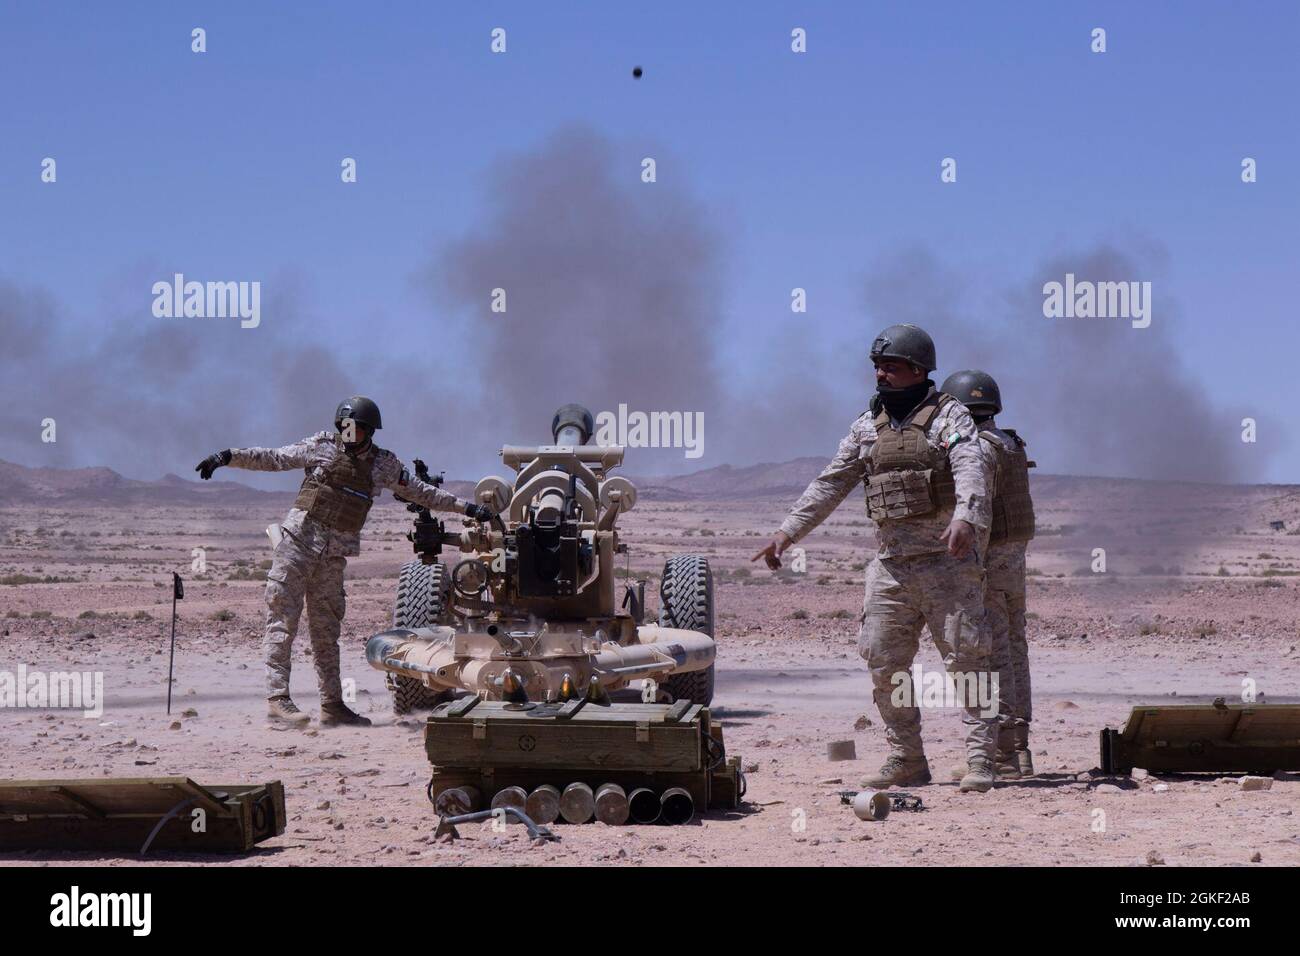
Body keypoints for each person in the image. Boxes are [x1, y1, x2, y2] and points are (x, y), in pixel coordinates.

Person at [753, 325, 999, 792]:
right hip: (891, 567)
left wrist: (966, 516)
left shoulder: (950, 417)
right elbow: (832, 481)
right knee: (884, 662)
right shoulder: (868, 424)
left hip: (946, 563)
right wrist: (787, 533)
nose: (879, 372)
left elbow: (971, 464)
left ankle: (982, 759)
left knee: (969, 662)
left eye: (890, 365)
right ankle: (906, 758)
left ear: (919, 370)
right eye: (877, 364)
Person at [195, 395, 495, 727]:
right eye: (345, 426)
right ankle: (278, 699)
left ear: (369, 431)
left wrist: (468, 508)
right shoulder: (320, 446)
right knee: (282, 622)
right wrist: (226, 457)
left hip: (332, 558)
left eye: (357, 428)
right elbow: (273, 458)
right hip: (296, 547)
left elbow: (423, 492)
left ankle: (333, 706)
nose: (349, 433)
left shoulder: (383, 465)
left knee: (326, 632)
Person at [940, 369, 1036, 777]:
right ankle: (1019, 751)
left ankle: (1002, 755)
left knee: (995, 656)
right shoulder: (1009, 441)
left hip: (990, 561)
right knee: (1014, 650)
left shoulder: (977, 447)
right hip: (1013, 562)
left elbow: (975, 508)